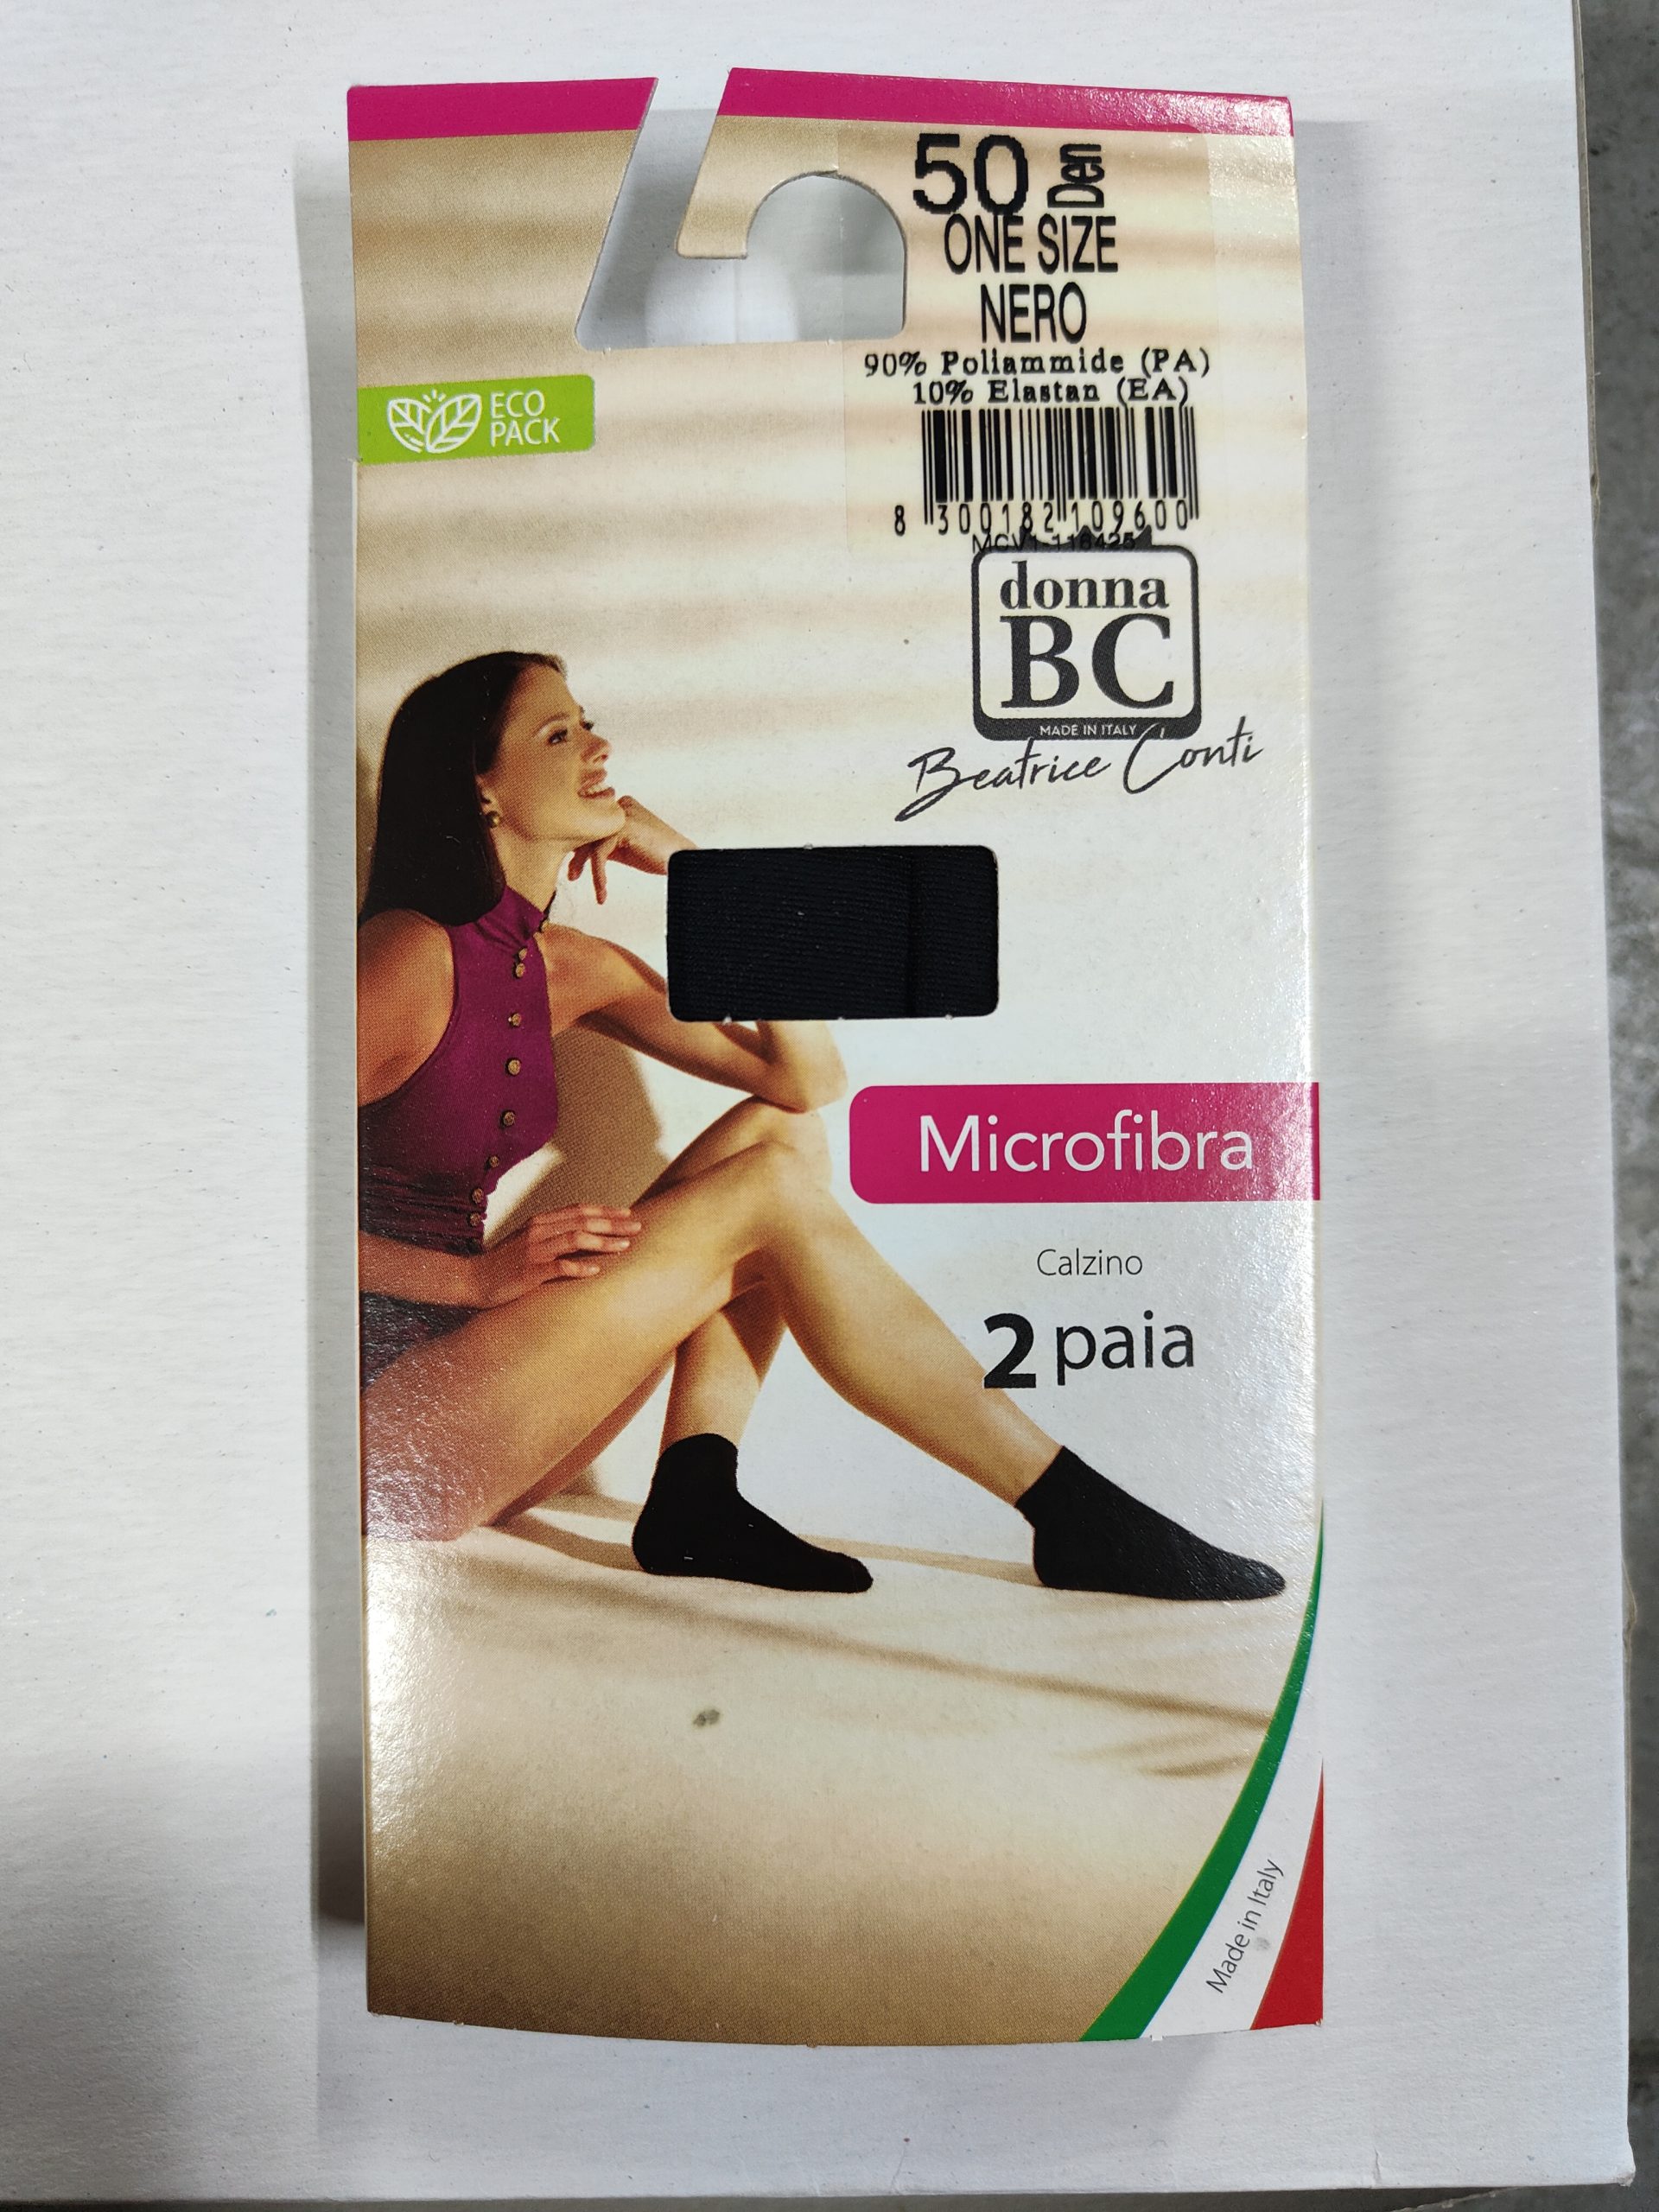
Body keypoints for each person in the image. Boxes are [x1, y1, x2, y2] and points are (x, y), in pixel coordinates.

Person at [356, 650, 1284, 1601]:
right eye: (559, 735)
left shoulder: (570, 965)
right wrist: (472, 1279)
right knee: (766, 1186)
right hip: (390, 1437)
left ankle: (696, 1488)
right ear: (481, 789)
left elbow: (805, 1079)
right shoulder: (405, 957)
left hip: (496, 1409)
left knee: (780, 1138)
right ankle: (1070, 1508)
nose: (599, 746)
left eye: (588, 722)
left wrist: (705, 876)